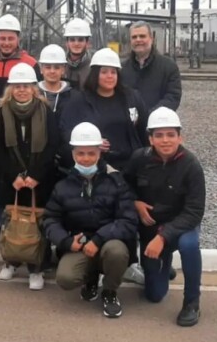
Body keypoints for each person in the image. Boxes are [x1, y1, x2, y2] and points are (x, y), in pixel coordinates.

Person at [44, 122, 138, 319]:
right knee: (66, 278)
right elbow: (50, 219)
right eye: (80, 153)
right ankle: (91, 278)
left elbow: (128, 221)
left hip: (108, 242)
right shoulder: (63, 186)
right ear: (73, 154)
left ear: (99, 153)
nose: (85, 159)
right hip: (80, 244)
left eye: (91, 153)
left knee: (117, 252)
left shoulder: (117, 181)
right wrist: (67, 242)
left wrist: (98, 239)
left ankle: (110, 292)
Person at [124, 107, 205, 327]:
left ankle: (192, 302)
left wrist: (163, 237)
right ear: (150, 139)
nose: (165, 140)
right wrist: (135, 202)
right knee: (154, 295)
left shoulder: (191, 166)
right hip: (150, 228)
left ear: (180, 137)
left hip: (181, 227)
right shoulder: (139, 159)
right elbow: (123, 186)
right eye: (159, 135)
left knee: (190, 245)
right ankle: (163, 265)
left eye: (171, 134)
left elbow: (194, 211)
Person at [0, 63, 59, 288]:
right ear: (11, 88)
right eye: (17, 86)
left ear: (33, 88)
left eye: (26, 86)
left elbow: (53, 144)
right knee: (12, 222)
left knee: (38, 224)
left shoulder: (46, 111)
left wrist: (36, 175)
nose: (22, 90)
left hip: (40, 180)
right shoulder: (0, 113)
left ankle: (36, 267)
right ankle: (10, 262)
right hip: (12, 182)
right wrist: (14, 176)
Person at [0, 13, 40, 244]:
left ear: (18, 39)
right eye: (2, 38)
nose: (6, 43)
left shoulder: (30, 64)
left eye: (10, 38)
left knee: (20, 181)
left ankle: (21, 224)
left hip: (22, 135)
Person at [59, 48, 148, 172]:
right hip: (96, 168)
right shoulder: (79, 101)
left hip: (130, 166)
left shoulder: (131, 97)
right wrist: (89, 142)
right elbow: (66, 132)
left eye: (113, 72)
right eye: (104, 72)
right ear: (95, 74)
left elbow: (144, 131)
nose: (109, 76)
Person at [121, 21, 182, 112]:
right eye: (134, 37)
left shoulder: (169, 67)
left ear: (151, 39)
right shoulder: (122, 69)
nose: (138, 40)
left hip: (157, 119)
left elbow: (172, 97)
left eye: (142, 36)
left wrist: (151, 115)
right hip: (128, 120)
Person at [37, 44, 74, 122]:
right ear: (41, 69)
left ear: (63, 70)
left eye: (57, 67)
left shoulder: (73, 97)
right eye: (48, 67)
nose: (52, 71)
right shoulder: (33, 95)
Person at [62, 18, 92, 90]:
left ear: (87, 43)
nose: (76, 43)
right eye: (72, 40)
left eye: (80, 40)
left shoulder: (93, 69)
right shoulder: (60, 67)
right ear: (67, 43)